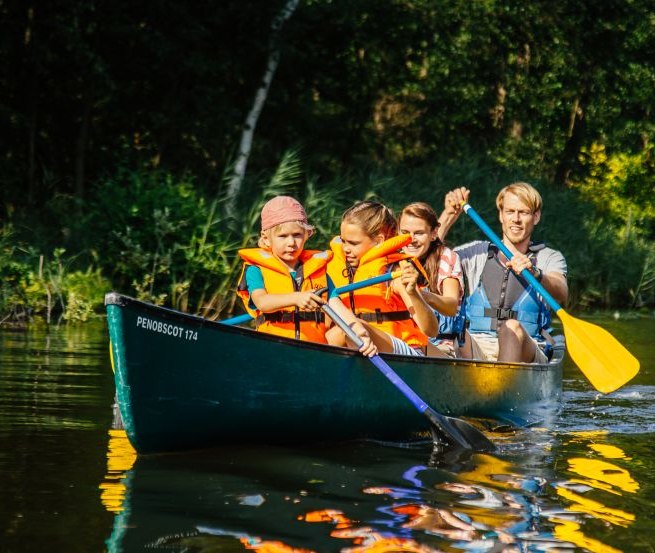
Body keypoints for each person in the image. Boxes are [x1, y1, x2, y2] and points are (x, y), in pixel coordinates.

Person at [437, 183, 568, 363]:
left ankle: (503, 387)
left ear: (536, 217)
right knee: (453, 332)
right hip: (477, 346)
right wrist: (449, 216)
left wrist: (535, 272)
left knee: (511, 327)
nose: (516, 219)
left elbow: (561, 290)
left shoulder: (548, 257)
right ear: (501, 215)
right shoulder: (477, 253)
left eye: (523, 212)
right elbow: (433, 257)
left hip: (526, 348)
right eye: (510, 211)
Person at [236, 195, 377, 357]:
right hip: (274, 350)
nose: (291, 243)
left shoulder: (318, 271)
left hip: (313, 353)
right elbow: (262, 302)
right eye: (282, 236)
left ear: (306, 235)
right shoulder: (255, 270)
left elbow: (337, 307)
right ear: (266, 239)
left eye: (297, 235)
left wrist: (361, 334)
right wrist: (296, 298)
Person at [327, 200, 445, 357]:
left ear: (379, 240)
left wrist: (413, 293)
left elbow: (431, 330)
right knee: (336, 333)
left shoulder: (395, 270)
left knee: (350, 328)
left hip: (404, 352)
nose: (346, 249)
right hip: (362, 346)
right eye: (343, 241)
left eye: (353, 243)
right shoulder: (335, 267)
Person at [398, 202, 465, 357]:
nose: (410, 239)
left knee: (416, 347)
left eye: (419, 233)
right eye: (405, 232)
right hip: (405, 340)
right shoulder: (394, 259)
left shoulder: (446, 257)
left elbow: (451, 306)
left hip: (440, 347)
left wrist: (419, 295)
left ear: (434, 233)